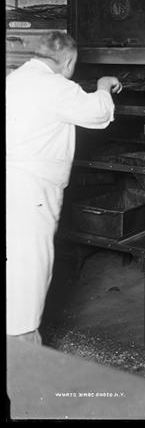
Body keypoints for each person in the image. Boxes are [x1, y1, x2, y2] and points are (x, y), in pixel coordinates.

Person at [6, 31, 123, 345]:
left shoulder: (14, 79)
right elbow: (98, 113)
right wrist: (103, 85)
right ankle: (22, 343)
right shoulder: (56, 86)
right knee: (32, 264)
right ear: (69, 61)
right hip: (32, 188)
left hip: (10, 181)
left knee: (12, 259)